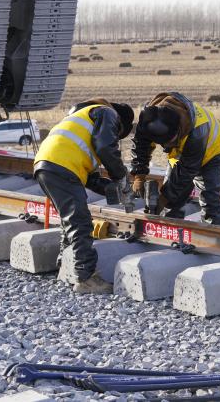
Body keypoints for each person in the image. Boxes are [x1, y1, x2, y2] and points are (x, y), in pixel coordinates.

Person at [33, 98, 134, 294]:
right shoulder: (107, 113)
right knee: (80, 222)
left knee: (69, 219)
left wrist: (113, 190)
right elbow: (106, 147)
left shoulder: (83, 122)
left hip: (46, 165)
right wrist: (121, 176)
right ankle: (86, 279)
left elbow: (91, 179)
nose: (115, 138)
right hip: (62, 166)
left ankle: (64, 264)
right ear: (120, 123)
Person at [130, 92, 220, 225]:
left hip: (212, 154)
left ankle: (215, 232)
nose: (164, 147)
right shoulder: (149, 118)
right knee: (172, 201)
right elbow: (141, 145)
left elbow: (186, 172)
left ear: (178, 130)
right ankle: (171, 229)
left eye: (168, 142)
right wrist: (139, 175)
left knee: (210, 201)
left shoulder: (197, 132)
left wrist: (163, 198)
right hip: (179, 154)